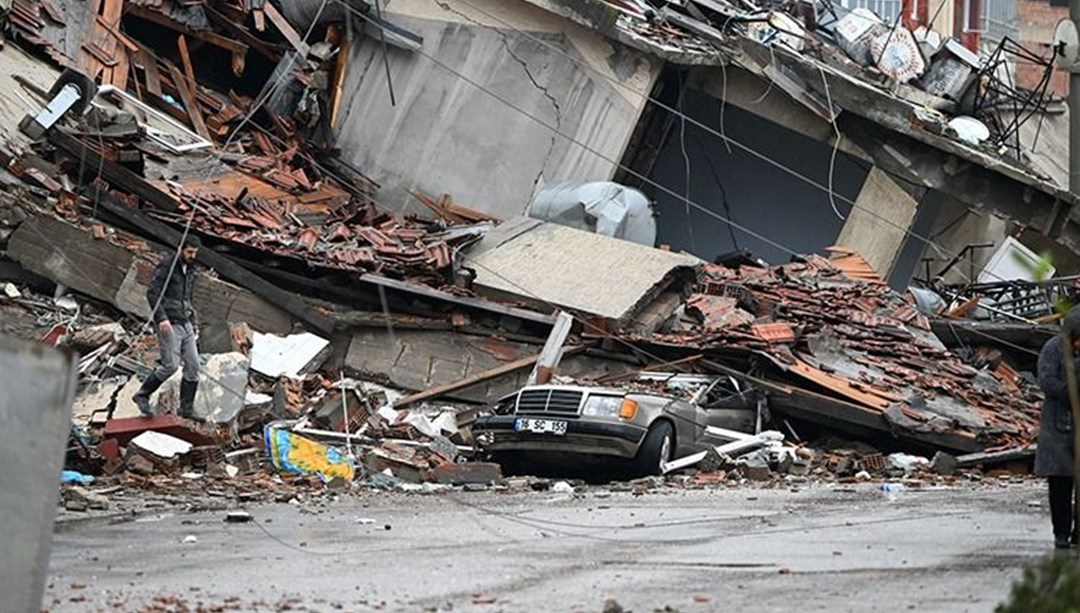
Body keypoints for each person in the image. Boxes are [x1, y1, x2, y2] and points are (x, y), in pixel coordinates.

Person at [133, 236, 201, 418]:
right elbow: (153, 293)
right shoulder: (167, 266)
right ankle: (142, 395)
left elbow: (188, 297)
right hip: (169, 321)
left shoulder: (191, 269)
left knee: (193, 365)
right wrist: (161, 318)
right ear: (180, 248)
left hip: (186, 321)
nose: (192, 256)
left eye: (195, 252)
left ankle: (186, 409)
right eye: (189, 252)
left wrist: (194, 320)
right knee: (170, 365)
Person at [1036, 306, 1080, 549]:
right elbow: (1047, 381)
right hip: (1058, 425)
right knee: (1060, 484)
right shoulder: (1053, 349)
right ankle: (1061, 532)